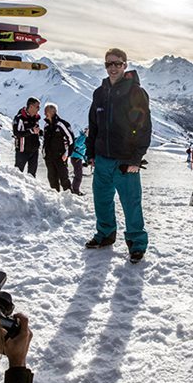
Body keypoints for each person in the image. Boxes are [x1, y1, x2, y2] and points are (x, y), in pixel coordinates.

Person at [85, 48, 152, 264]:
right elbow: (93, 124)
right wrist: (91, 151)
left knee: (131, 203)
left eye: (117, 63)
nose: (112, 68)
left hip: (125, 160)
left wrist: (135, 158)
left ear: (125, 65)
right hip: (103, 158)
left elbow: (144, 127)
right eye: (108, 64)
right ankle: (105, 234)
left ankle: (136, 244)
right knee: (102, 200)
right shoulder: (99, 92)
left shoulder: (135, 92)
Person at [41, 102, 75, 192]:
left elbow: (71, 140)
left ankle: (70, 199)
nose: (44, 113)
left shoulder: (62, 124)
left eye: (46, 111)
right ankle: (56, 199)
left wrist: (67, 154)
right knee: (52, 179)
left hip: (60, 157)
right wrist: (44, 153)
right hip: (49, 157)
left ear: (53, 112)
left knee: (64, 179)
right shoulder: (46, 126)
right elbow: (44, 141)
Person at [13, 97, 41, 176]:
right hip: (22, 151)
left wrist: (40, 132)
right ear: (31, 106)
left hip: (34, 150)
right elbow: (16, 133)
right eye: (37, 107)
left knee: (32, 174)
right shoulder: (19, 118)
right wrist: (31, 131)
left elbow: (36, 131)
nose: (39, 109)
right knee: (18, 173)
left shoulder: (36, 118)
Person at [70, 128, 88, 195]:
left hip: (77, 158)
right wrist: (84, 136)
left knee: (78, 175)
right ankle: (75, 190)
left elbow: (83, 151)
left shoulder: (83, 138)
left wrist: (86, 160)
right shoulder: (82, 137)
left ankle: (74, 189)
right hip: (76, 158)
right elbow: (77, 144)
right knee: (78, 175)